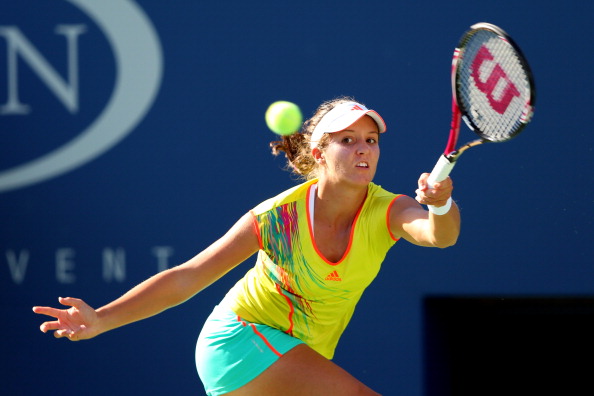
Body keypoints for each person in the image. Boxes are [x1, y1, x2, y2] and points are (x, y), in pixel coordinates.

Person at [33, 97, 460, 395]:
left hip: (298, 354)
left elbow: (440, 236)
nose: (363, 149)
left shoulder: (389, 210)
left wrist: (441, 205)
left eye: (370, 139)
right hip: (239, 340)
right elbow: (189, 277)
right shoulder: (277, 218)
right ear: (319, 151)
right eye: (346, 140)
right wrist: (102, 319)